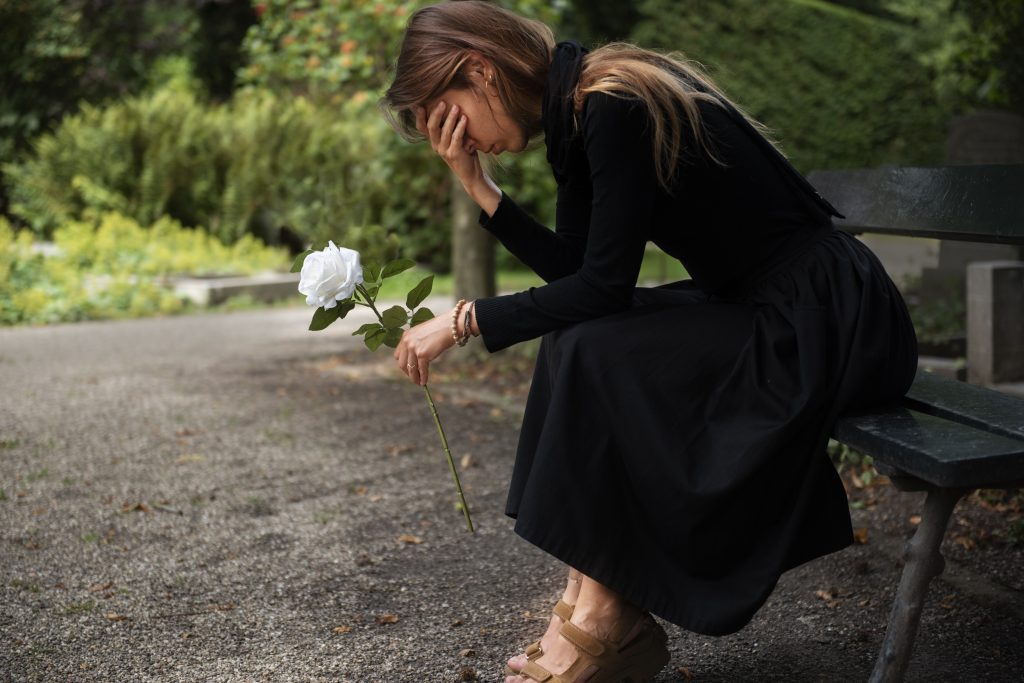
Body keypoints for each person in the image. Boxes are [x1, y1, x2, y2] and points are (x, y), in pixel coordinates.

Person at [382, 2, 918, 682]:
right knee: (580, 339)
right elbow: (579, 277)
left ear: (482, 71)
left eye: (449, 114)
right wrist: (477, 187)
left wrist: (466, 320)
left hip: (827, 316)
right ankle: (593, 603)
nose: (454, 136)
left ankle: (608, 618)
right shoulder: (578, 116)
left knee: (595, 346)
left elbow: (603, 286)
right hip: (765, 303)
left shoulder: (614, 103)